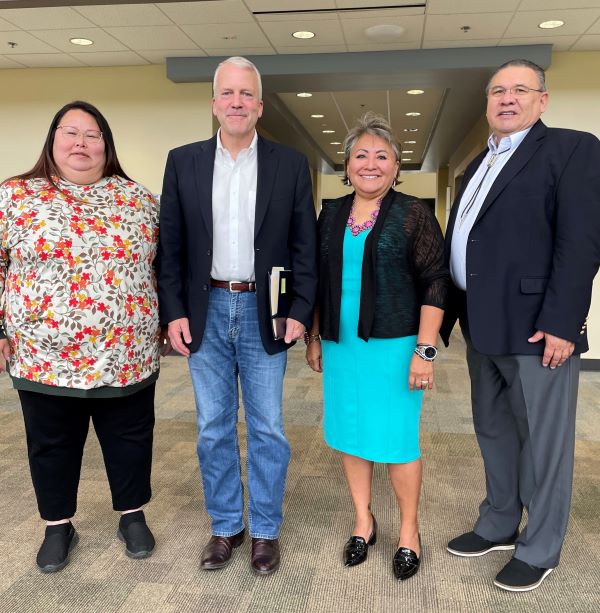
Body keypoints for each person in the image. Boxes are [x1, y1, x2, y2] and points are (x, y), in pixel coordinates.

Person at [441, 59, 600, 592]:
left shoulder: (572, 150)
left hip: (538, 330)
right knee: (493, 430)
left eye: (520, 90)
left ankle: (540, 547)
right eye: (497, 91)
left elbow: (580, 244)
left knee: (545, 442)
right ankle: (499, 521)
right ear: (486, 103)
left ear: (542, 100)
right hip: (481, 325)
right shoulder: (476, 164)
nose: (507, 99)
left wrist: (563, 322)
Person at [158, 56, 317, 575]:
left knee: (269, 427)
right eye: (227, 93)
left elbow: (304, 245)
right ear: (213, 103)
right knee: (212, 427)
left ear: (260, 105)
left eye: (246, 94)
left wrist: (299, 310)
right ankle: (226, 525)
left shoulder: (289, 164)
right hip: (205, 309)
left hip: (264, 310)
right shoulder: (182, 161)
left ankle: (266, 530)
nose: (236, 102)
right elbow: (172, 247)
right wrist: (174, 311)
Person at [0, 101, 168, 573]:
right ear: (52, 140)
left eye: (91, 134)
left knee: (130, 437)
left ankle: (131, 514)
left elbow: (164, 267)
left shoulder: (138, 199)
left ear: (106, 145)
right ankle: (58, 524)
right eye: (70, 132)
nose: (80, 143)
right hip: (43, 353)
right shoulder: (15, 196)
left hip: (125, 350)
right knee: (51, 442)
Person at [306, 112, 447, 580]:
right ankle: (364, 521)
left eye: (381, 156)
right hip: (342, 344)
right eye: (360, 155)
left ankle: (409, 531)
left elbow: (435, 282)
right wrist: (315, 335)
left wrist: (425, 351)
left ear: (396, 166)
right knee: (350, 433)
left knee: (397, 440)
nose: (370, 163)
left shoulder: (413, 214)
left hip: (395, 345)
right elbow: (321, 280)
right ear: (346, 166)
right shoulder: (330, 214)